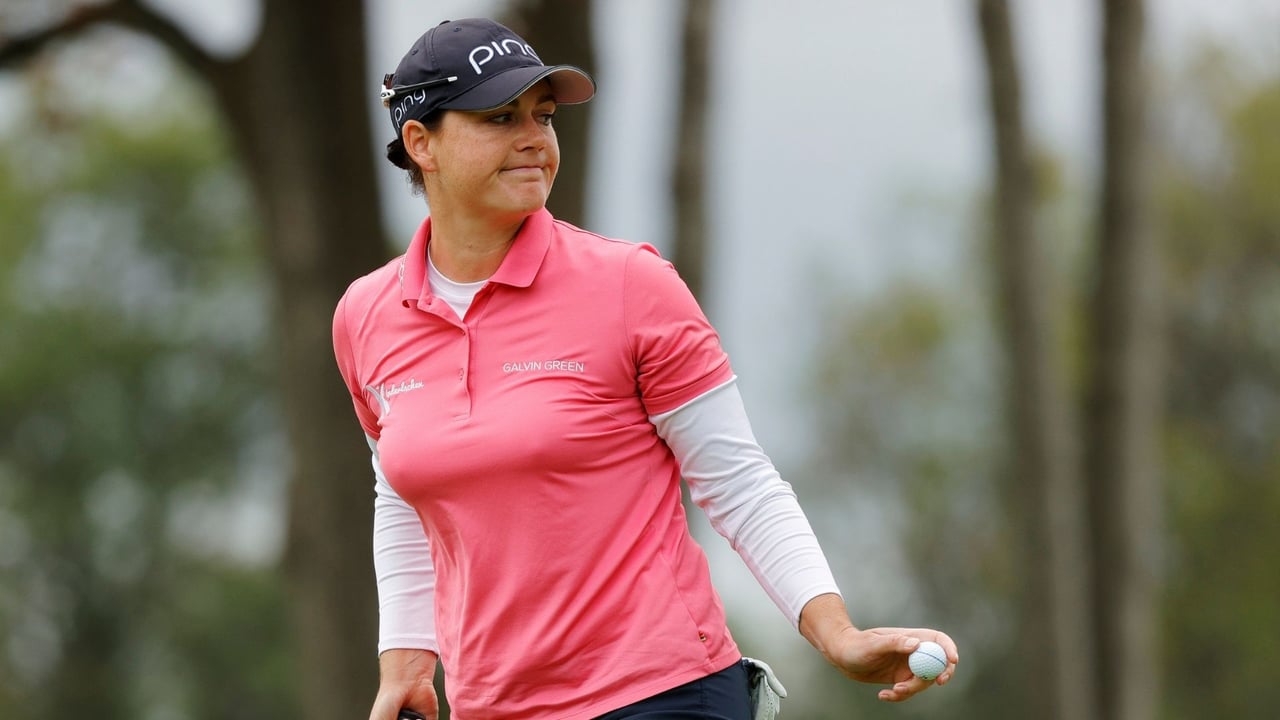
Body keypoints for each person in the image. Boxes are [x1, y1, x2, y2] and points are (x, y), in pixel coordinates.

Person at [333, 17, 959, 720]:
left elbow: (739, 481)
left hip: (662, 694)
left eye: (543, 116)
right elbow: (402, 496)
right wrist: (407, 662)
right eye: (500, 118)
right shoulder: (366, 316)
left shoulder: (630, 283)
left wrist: (836, 634)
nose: (535, 138)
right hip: (494, 706)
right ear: (421, 144)